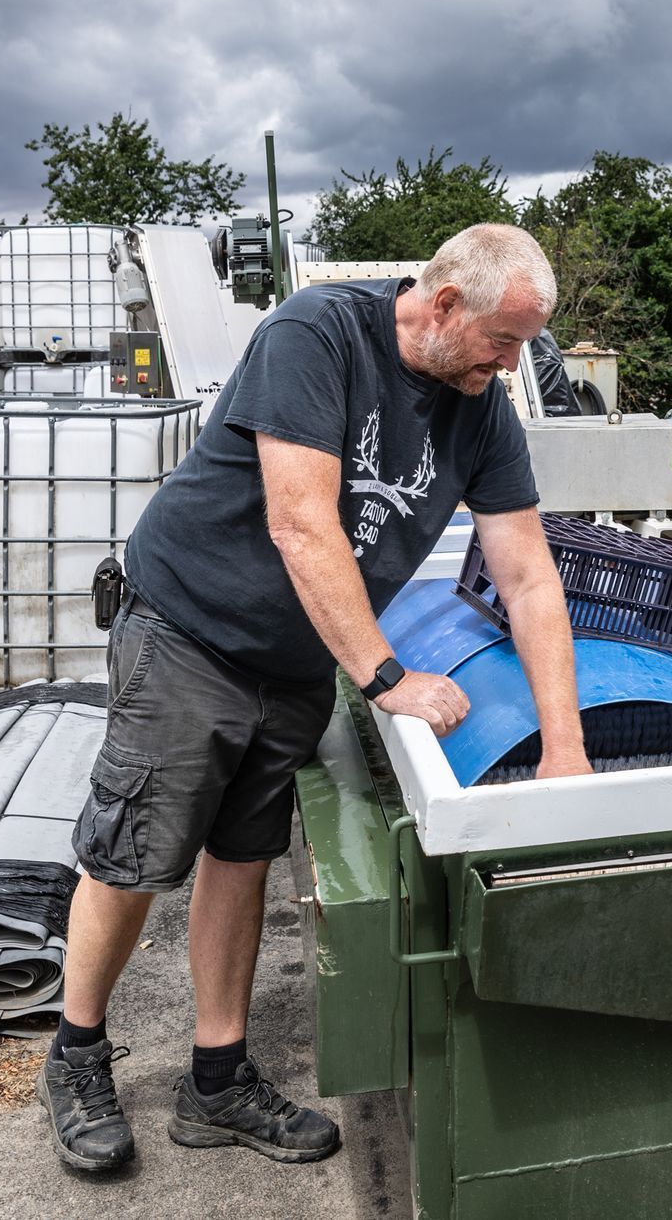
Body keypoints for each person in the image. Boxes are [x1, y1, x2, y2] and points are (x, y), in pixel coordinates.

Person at [38, 223, 590, 1171]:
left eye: (523, 348)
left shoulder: (483, 410)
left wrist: (565, 744)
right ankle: (76, 1052)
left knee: (242, 856)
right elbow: (300, 522)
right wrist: (384, 678)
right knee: (134, 853)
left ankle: (216, 1083)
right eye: (503, 341)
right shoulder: (317, 334)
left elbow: (529, 574)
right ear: (445, 303)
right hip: (189, 632)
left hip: (293, 661)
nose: (510, 366)